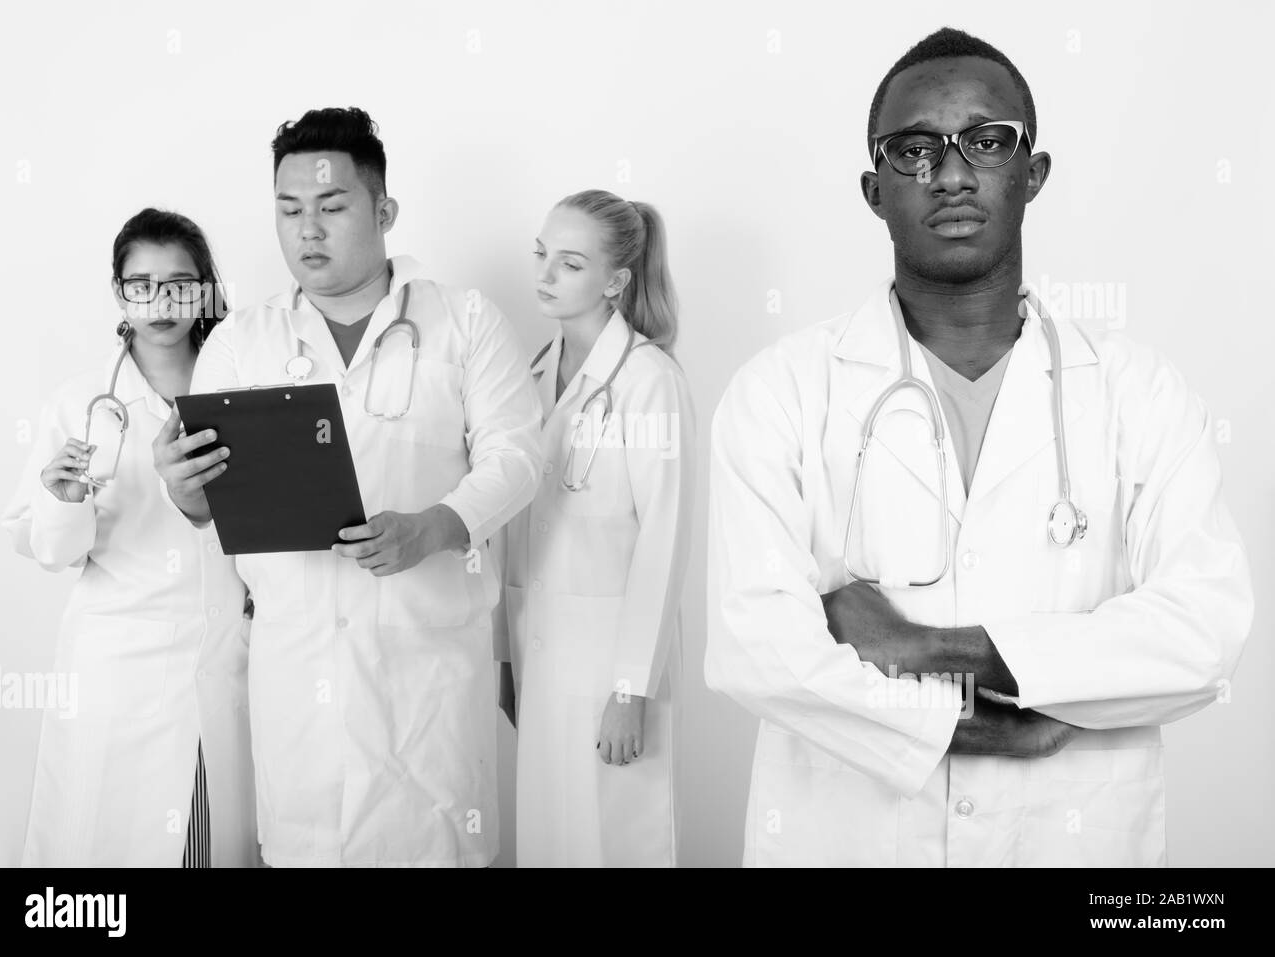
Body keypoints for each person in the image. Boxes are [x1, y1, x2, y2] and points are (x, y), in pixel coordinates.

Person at [705, 27, 1253, 867]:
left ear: (1031, 175)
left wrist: (927, 647)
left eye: (987, 142)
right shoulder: (781, 390)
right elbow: (757, 648)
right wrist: (984, 727)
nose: (952, 172)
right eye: (916, 148)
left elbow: (1203, 629)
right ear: (874, 189)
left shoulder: (1137, 391)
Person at [153, 107, 543, 867]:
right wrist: (183, 487)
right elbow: (206, 503)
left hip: (427, 668)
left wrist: (435, 525)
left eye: (332, 208)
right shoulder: (241, 341)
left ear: (384, 210)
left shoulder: (464, 322)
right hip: (299, 670)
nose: (308, 230)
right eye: (290, 210)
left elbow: (519, 457)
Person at [3, 208, 257, 867]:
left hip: (224, 662)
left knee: (205, 840)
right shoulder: (81, 402)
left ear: (205, 288)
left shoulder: (246, 391)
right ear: (119, 293)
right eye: (142, 284)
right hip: (114, 673)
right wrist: (62, 501)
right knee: (104, 854)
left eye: (180, 282)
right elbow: (52, 550)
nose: (163, 300)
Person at [495, 190, 694, 867]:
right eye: (543, 256)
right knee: (551, 841)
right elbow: (514, 527)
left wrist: (632, 688)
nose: (546, 275)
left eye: (570, 264)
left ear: (615, 281)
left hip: (614, 666)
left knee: (615, 843)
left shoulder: (648, 381)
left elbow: (664, 541)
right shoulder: (530, 375)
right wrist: (503, 651)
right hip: (539, 655)